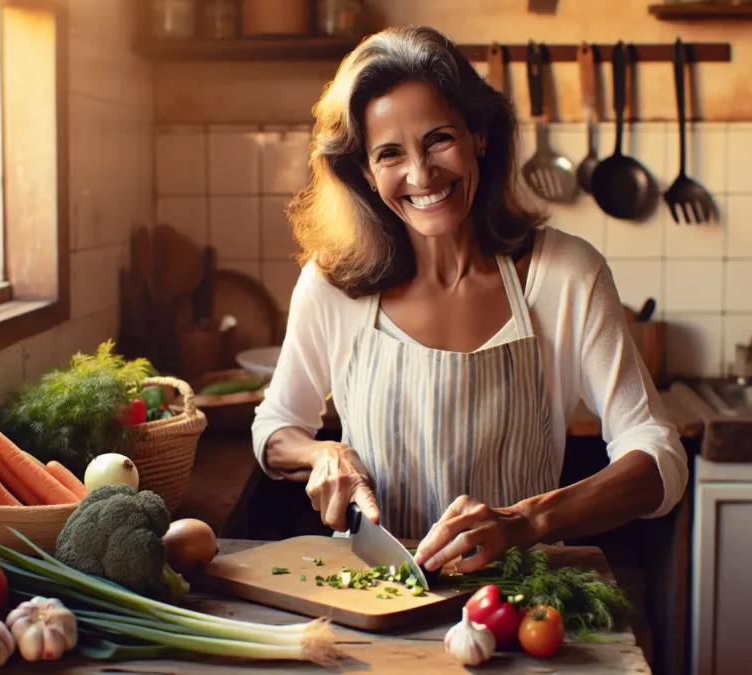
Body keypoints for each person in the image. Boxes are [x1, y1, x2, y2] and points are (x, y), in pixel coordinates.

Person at [250, 25, 688, 576]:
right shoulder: (333, 284)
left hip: (518, 606)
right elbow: (275, 427)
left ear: (479, 133)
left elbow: (659, 456)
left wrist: (527, 521)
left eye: (438, 139)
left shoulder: (564, 275)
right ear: (364, 171)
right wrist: (323, 454)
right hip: (372, 596)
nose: (420, 174)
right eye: (389, 154)